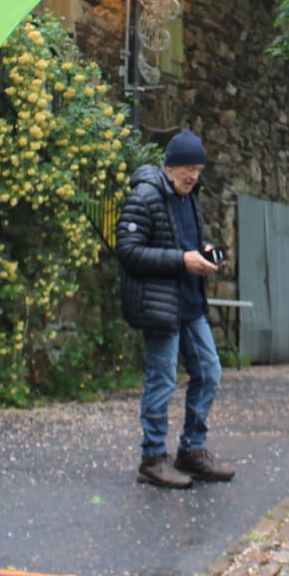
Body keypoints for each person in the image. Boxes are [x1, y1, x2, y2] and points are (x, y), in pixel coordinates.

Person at [115, 129, 235, 490]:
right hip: (161, 306)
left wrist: (204, 251)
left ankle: (192, 451)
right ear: (170, 166)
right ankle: (152, 458)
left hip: (190, 304)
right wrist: (182, 260)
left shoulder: (190, 198)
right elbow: (128, 251)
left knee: (209, 373)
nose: (194, 176)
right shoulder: (145, 196)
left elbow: (185, 241)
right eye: (188, 168)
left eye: (198, 169)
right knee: (162, 379)